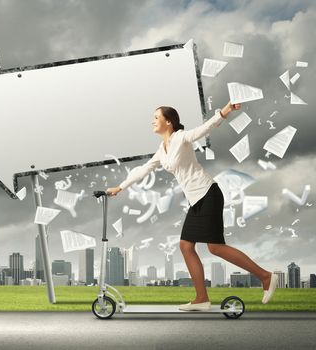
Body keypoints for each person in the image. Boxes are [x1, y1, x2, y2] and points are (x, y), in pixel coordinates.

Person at [106, 102, 278, 311]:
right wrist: (120, 187)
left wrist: (224, 111)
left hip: (208, 194)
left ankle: (266, 276)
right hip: (196, 200)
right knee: (187, 246)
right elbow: (143, 170)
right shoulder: (162, 149)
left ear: (168, 122)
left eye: (156, 117)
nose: (152, 121)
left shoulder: (181, 137)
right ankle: (201, 298)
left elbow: (204, 129)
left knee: (215, 247)